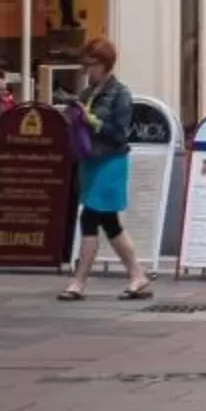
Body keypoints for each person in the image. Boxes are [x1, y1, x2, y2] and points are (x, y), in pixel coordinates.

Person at [59, 37, 149, 302]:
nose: (88, 71)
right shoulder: (88, 93)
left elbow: (119, 133)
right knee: (110, 223)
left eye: (92, 64)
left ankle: (78, 282)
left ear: (105, 64)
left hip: (111, 162)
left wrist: (92, 121)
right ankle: (137, 275)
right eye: (86, 65)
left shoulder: (120, 94)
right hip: (91, 161)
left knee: (89, 218)